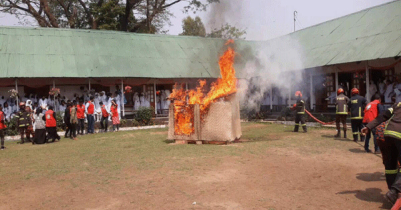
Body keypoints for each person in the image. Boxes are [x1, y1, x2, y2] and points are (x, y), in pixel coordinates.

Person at [362, 101, 401, 209]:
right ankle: (394, 192)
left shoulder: (398, 104)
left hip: (387, 134)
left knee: (390, 167)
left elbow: (383, 115)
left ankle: (392, 193)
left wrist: (369, 127)